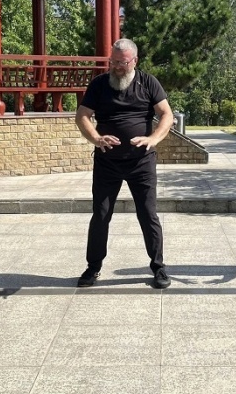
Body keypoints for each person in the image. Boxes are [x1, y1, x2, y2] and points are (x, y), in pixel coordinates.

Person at [75, 38, 174, 289]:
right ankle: (93, 267)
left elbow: (166, 114)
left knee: (148, 214)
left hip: (141, 162)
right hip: (107, 161)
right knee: (101, 215)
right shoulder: (99, 84)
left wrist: (153, 138)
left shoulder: (148, 82)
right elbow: (82, 116)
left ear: (135, 61)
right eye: (114, 62)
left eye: (123, 62)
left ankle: (158, 267)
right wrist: (96, 138)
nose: (118, 67)